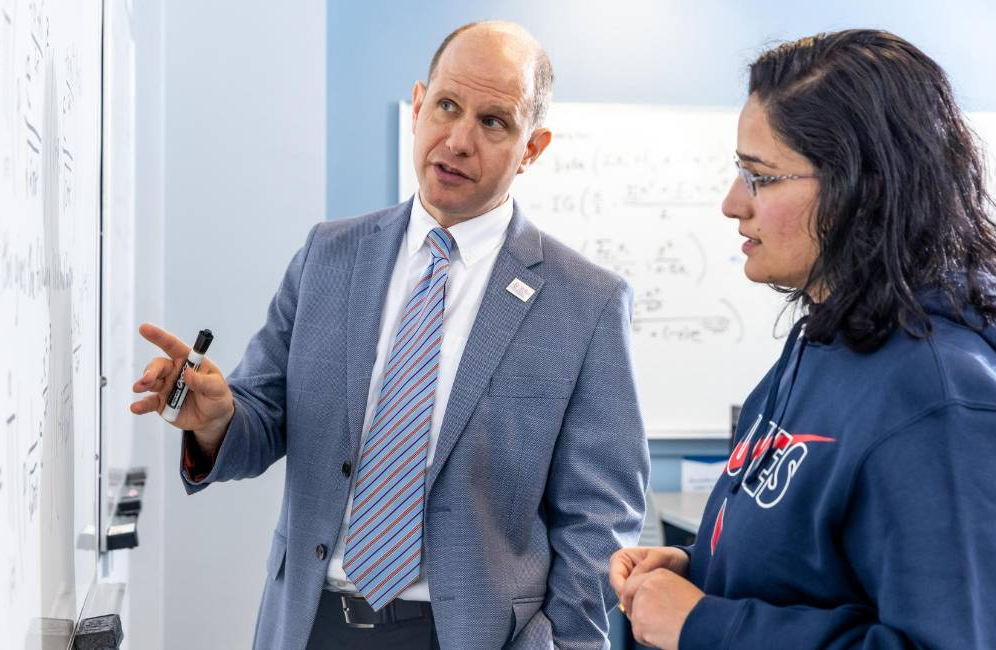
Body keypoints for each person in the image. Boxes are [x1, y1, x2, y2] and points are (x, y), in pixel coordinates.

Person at [132, 20, 649, 650]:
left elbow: (601, 520)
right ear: (417, 106)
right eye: (447, 106)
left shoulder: (583, 302)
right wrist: (216, 418)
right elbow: (261, 421)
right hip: (310, 624)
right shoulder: (330, 255)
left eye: (494, 122)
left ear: (532, 148)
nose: (458, 140)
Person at [610, 29, 996, 650]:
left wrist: (705, 623)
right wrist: (700, 571)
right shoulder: (829, 336)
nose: (733, 204)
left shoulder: (942, 402)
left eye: (760, 177)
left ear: (859, 190)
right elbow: (815, 563)